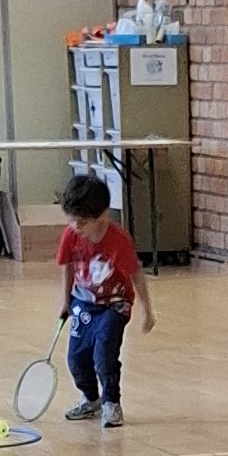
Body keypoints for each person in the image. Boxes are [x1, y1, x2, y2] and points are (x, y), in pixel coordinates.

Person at [55, 167, 152, 424]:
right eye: (72, 220)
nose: (75, 227)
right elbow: (67, 267)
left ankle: (111, 402)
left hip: (114, 305)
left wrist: (147, 310)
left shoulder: (118, 241)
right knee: (76, 359)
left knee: (104, 355)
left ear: (102, 215)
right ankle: (90, 399)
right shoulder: (70, 236)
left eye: (82, 222)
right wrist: (65, 300)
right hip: (83, 302)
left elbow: (136, 273)